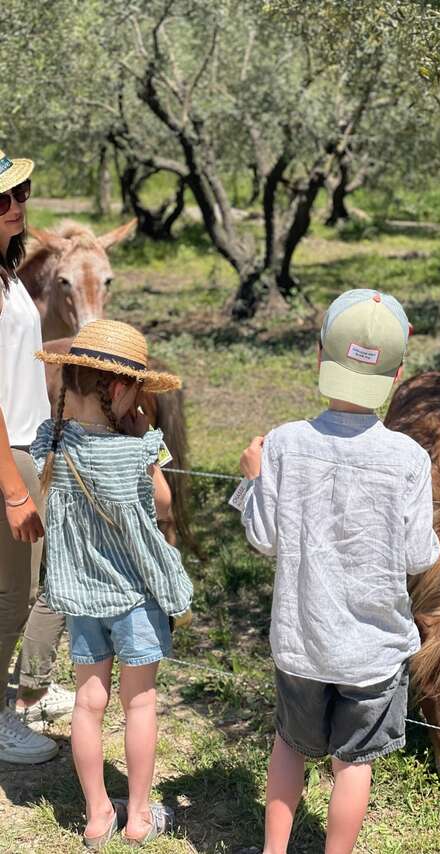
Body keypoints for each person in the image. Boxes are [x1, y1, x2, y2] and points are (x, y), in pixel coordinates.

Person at [238, 289, 440, 854]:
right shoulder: (409, 459)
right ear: (397, 375)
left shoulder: (282, 444)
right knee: (353, 763)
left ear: (318, 356)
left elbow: (264, 538)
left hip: (301, 643)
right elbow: (419, 556)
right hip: (373, 651)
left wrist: (253, 478)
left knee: (289, 745)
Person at [32, 318, 193, 848]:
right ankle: (141, 815)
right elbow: (165, 505)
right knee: (139, 704)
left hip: (80, 599)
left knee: (87, 702)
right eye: (138, 393)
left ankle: (98, 813)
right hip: (133, 599)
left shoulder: (51, 444)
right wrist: (146, 435)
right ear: (121, 389)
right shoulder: (137, 451)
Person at [0, 147, 65, 764]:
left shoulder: (5, 272)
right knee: (13, 596)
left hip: (24, 444)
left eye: (22, 192)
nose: (17, 205)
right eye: (3, 198)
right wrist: (16, 487)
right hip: (9, 453)